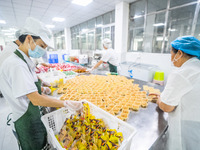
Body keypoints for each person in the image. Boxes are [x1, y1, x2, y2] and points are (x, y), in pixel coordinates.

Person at [0, 17, 82, 150]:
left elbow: (27, 87)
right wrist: (66, 103)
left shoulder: (24, 60)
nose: (43, 50)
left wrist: (42, 88)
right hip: (25, 120)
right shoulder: (16, 64)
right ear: (28, 39)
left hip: (33, 115)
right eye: (42, 45)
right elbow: (36, 100)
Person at [150, 36, 200, 150]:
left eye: (171, 53)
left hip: (186, 131)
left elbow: (167, 107)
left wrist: (159, 100)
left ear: (180, 53)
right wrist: (163, 96)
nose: (171, 57)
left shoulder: (182, 73)